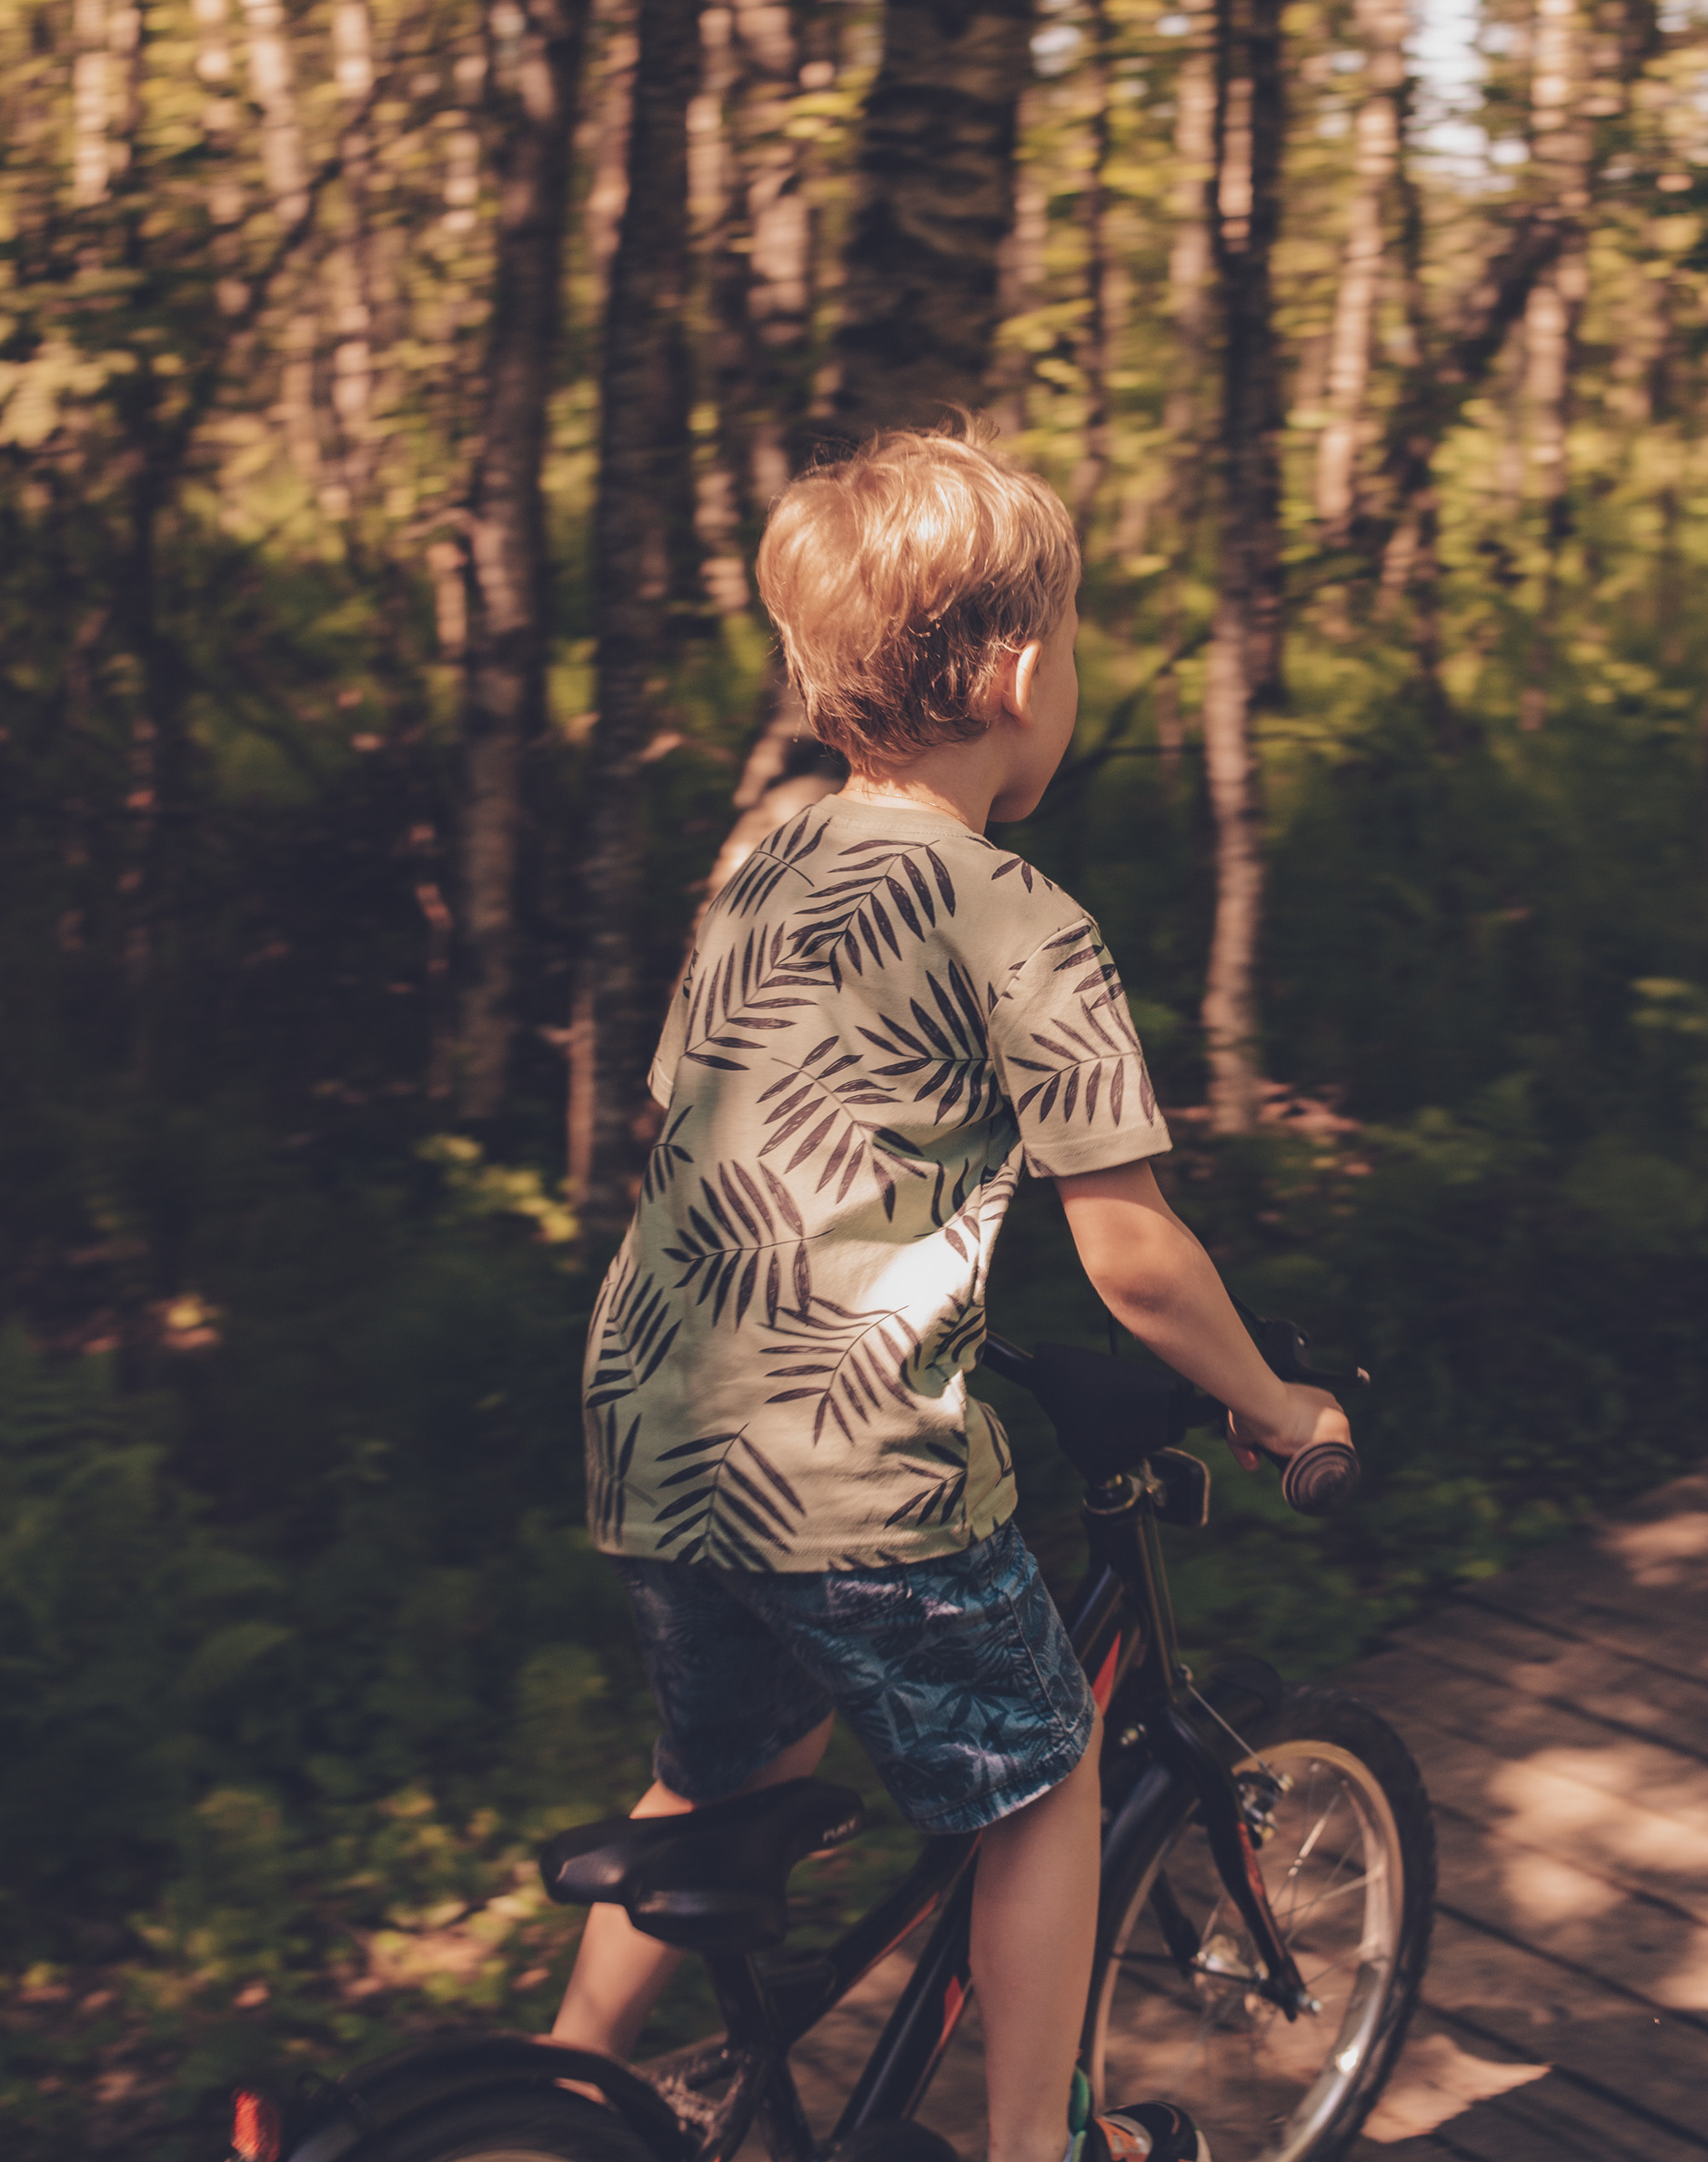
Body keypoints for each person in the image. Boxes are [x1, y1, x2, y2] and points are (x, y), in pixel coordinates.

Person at [548, 422, 1352, 2162]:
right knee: (1042, 1770)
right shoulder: (1020, 923)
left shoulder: (763, 856)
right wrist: (1280, 1410)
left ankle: (542, 2108)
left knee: (715, 1779)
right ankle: (1035, 2149)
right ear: (1011, 669)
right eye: (1067, 642)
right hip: (851, 1477)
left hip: (660, 1439)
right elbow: (1133, 1257)